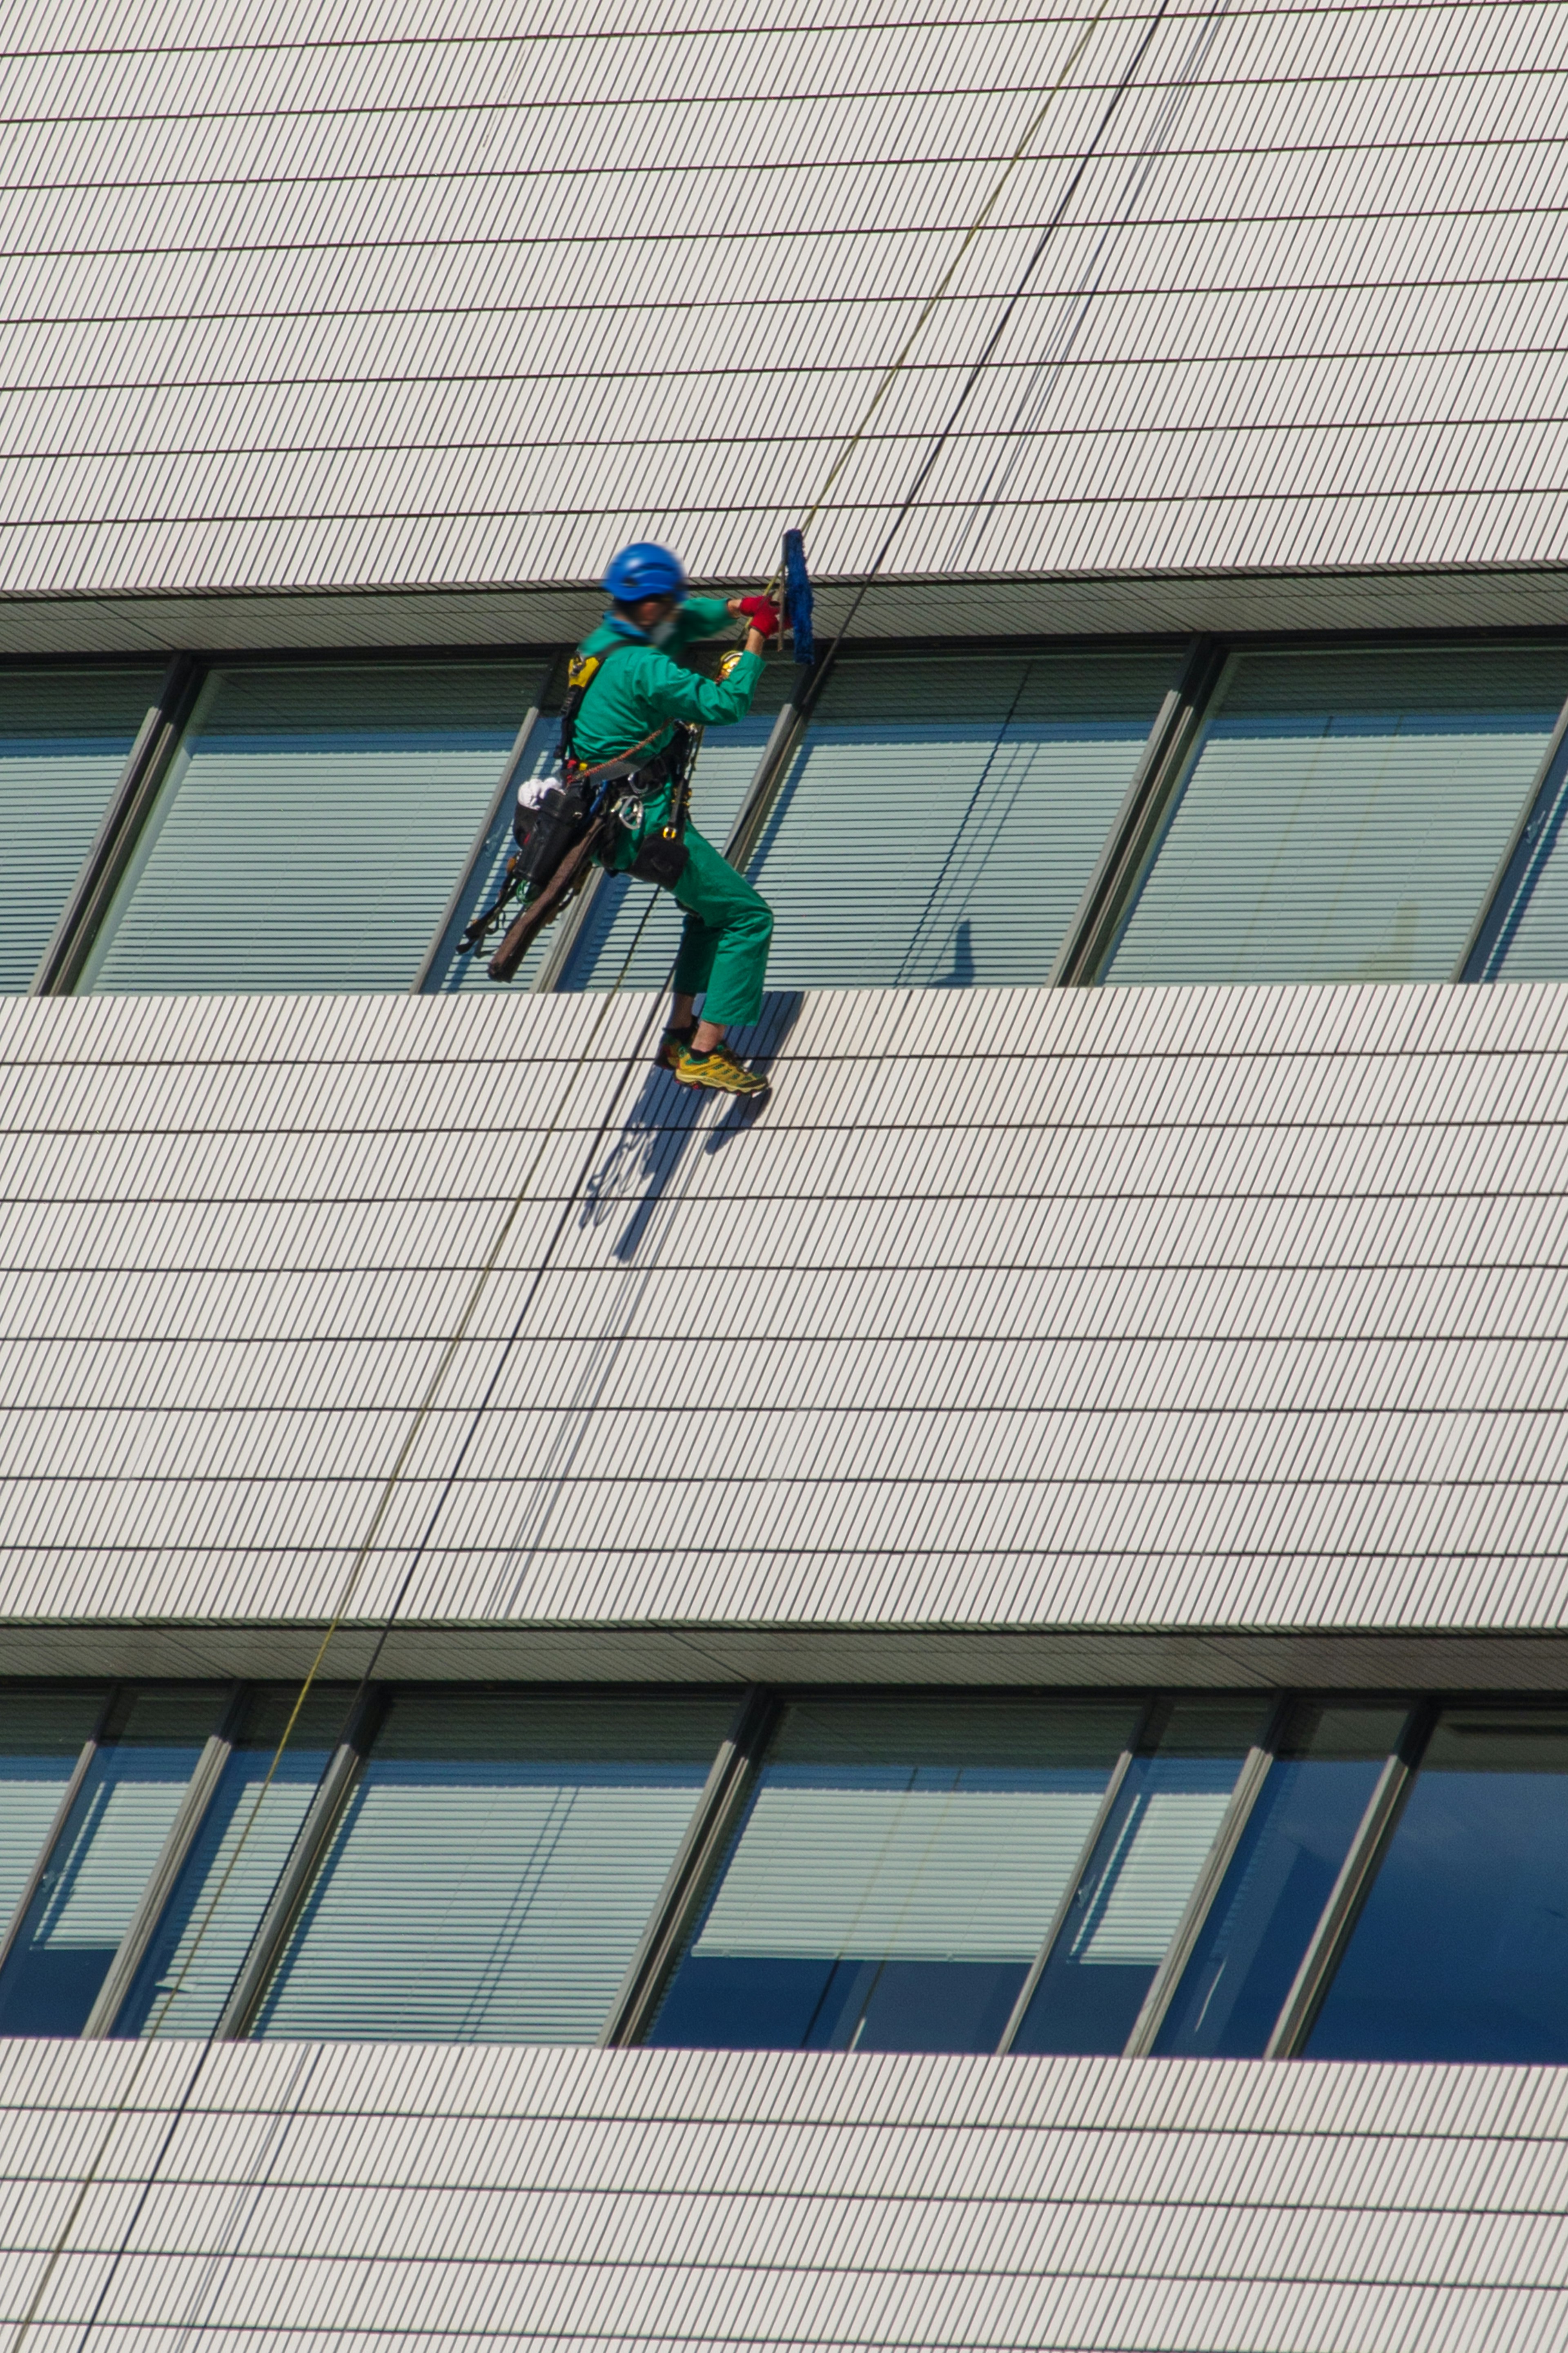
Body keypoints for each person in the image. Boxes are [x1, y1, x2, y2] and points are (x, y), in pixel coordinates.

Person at [570, 541, 780, 1097]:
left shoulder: (600, 645)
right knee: (747, 916)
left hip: (608, 821)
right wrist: (754, 643)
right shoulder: (645, 665)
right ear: (648, 605)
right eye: (667, 602)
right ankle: (704, 1052)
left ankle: (679, 1030)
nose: (675, 610)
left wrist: (739, 608)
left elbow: (685, 621)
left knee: (707, 914)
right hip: (644, 820)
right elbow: (725, 705)